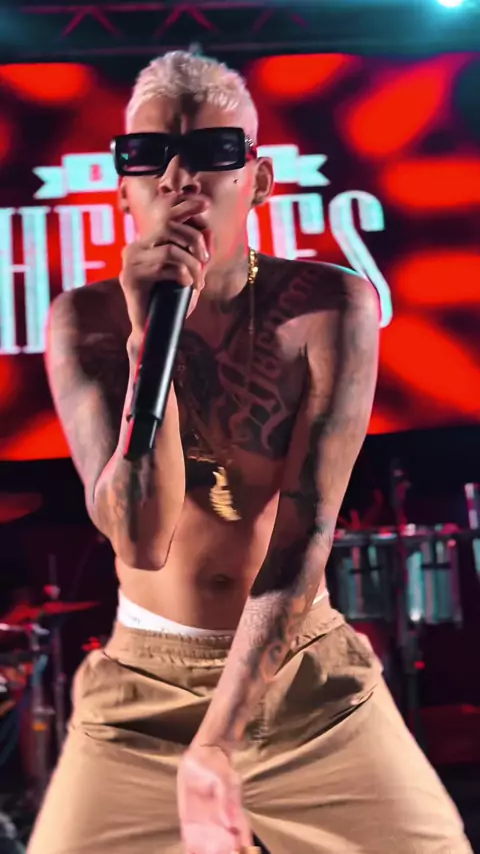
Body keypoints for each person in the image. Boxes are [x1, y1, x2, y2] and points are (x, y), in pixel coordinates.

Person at [27, 51, 472, 854]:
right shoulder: (83, 321)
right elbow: (140, 537)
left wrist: (219, 742)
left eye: (212, 152)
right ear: (123, 187)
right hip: (143, 690)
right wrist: (146, 339)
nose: (178, 179)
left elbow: (303, 537)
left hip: (303, 675)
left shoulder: (329, 305)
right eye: (147, 156)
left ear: (259, 180)